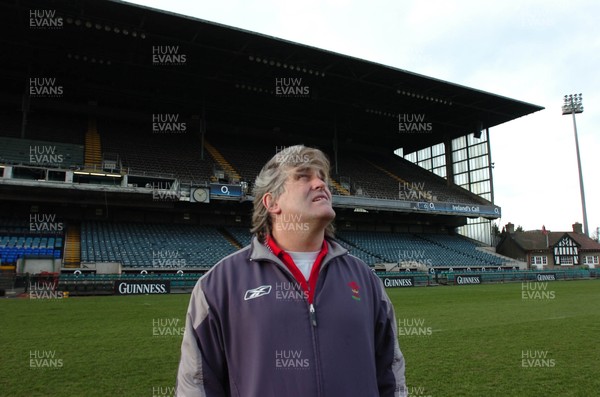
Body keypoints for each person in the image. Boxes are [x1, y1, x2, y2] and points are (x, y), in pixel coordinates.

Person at [176, 145, 406, 396]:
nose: (321, 184)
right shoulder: (219, 286)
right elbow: (197, 385)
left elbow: (391, 374)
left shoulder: (365, 279)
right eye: (304, 176)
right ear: (272, 202)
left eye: (323, 177)